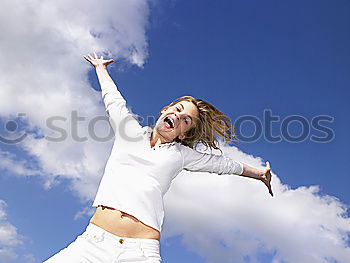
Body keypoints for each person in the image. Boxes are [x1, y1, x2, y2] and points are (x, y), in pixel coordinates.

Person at [43, 52, 273, 263]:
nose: (179, 115)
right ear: (165, 109)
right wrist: (100, 68)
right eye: (178, 109)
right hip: (93, 244)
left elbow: (222, 164)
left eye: (186, 120)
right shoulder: (128, 131)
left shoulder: (181, 155)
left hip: (140, 252)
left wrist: (259, 174)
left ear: (184, 134)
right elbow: (113, 100)